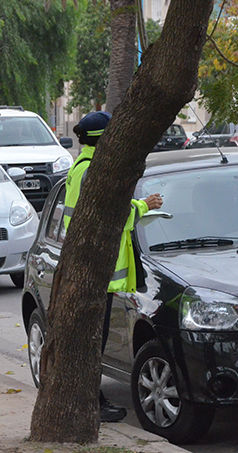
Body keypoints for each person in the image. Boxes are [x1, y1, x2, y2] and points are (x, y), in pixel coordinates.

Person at [63, 111, 163, 423]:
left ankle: (92, 397)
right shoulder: (89, 170)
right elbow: (111, 211)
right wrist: (145, 205)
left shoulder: (91, 166)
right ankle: (92, 400)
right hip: (93, 272)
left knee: (95, 340)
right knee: (93, 342)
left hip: (96, 272)